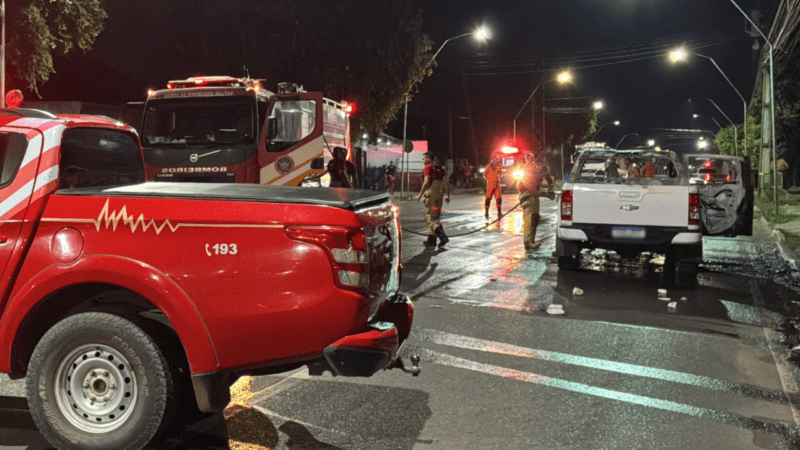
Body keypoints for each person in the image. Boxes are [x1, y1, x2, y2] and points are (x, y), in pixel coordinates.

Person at [517, 151, 554, 250]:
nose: (530, 159)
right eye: (528, 157)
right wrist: (547, 192)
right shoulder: (526, 168)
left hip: (533, 196)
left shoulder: (533, 168)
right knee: (530, 219)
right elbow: (529, 187)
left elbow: (545, 178)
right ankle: (528, 242)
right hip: (528, 196)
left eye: (531, 157)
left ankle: (530, 241)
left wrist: (549, 184)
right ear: (526, 159)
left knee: (534, 218)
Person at [416, 152, 450, 247]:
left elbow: (426, 181)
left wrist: (420, 195)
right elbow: (445, 183)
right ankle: (431, 240)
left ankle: (443, 237)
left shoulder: (428, 167)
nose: (423, 161)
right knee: (436, 217)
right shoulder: (441, 169)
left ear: (428, 159)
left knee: (430, 218)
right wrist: (447, 195)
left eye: (424, 159)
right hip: (439, 194)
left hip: (430, 193)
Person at [483, 155, 503, 220]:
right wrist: (490, 179)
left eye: (496, 159)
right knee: (488, 199)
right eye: (494, 159)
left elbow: (500, 174)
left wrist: (498, 180)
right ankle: (486, 212)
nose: (495, 160)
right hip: (490, 185)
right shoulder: (488, 166)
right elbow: (485, 175)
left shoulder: (499, 166)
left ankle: (499, 213)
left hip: (497, 185)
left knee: (499, 199)